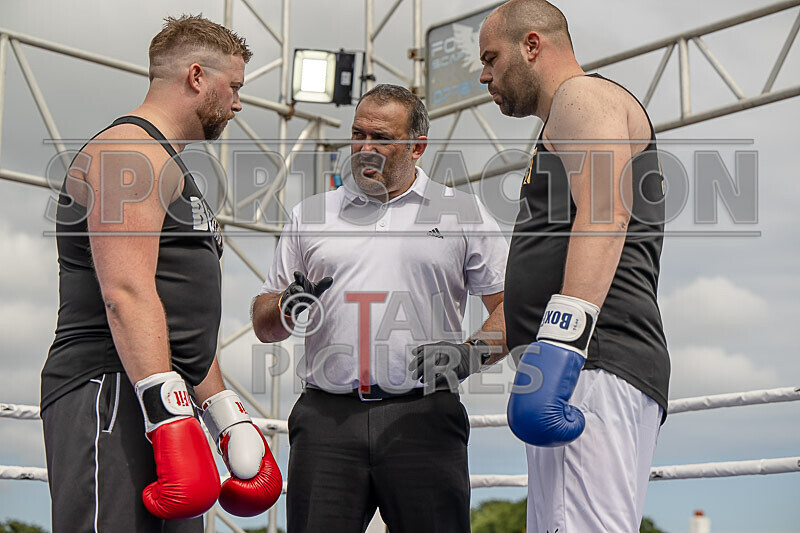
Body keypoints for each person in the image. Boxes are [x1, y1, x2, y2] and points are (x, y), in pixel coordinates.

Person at [41, 15, 281, 532]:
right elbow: (127, 294)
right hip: (110, 385)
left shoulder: (170, 164)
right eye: (233, 87)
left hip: (156, 391)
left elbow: (182, 310)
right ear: (197, 76)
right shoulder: (128, 153)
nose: (238, 104)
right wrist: (167, 413)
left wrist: (222, 412)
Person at [251, 83, 509, 533]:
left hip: (424, 417)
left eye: (382, 138)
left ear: (418, 146)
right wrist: (287, 306)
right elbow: (263, 324)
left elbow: (512, 305)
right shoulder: (312, 214)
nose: (365, 148)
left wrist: (471, 354)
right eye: (358, 134)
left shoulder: (462, 213)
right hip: (326, 421)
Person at [478, 1, 670, 531]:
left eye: (492, 58)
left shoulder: (581, 97)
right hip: (584, 360)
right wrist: (468, 353)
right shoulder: (564, 119)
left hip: (591, 360)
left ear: (532, 45)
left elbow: (606, 211)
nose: (484, 74)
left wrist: (561, 345)